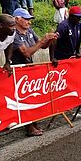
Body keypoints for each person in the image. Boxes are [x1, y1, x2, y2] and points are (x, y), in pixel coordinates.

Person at [11, 8, 57, 136]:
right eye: (25, 19)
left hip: (30, 67)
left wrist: (49, 39)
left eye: (29, 19)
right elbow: (26, 52)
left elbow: (41, 45)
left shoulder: (29, 30)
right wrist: (43, 40)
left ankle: (34, 122)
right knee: (23, 98)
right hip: (18, 69)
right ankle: (29, 126)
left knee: (32, 96)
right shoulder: (13, 34)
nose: (28, 22)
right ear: (17, 19)